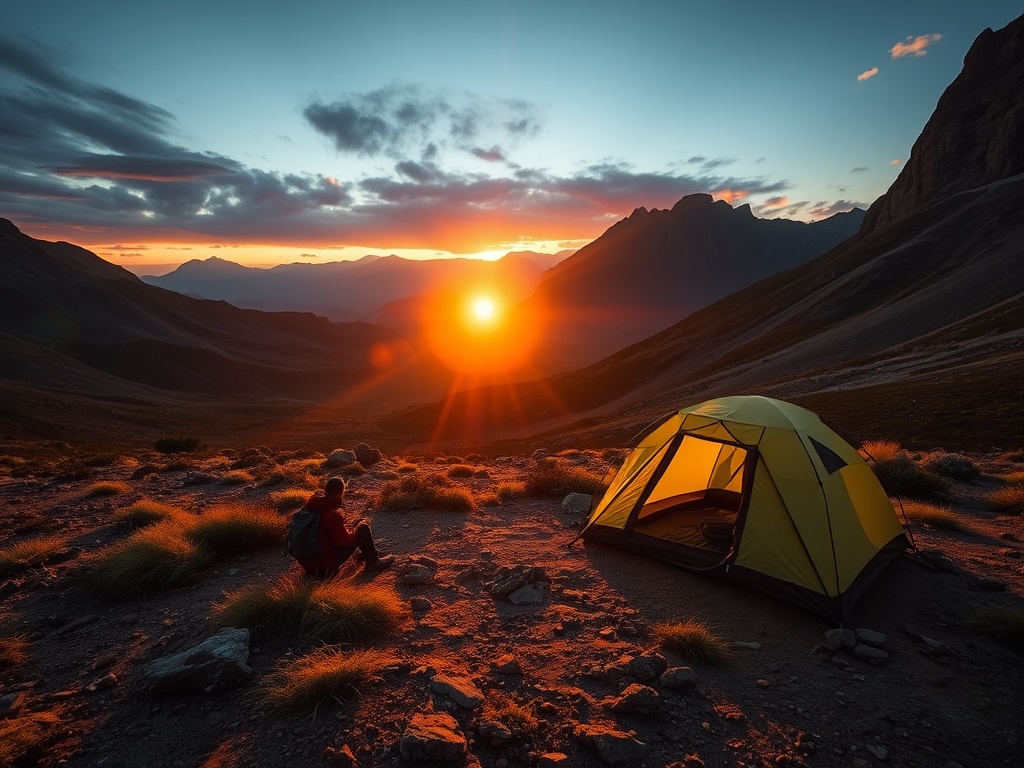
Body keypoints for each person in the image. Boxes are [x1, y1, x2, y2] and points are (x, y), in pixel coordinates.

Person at [297, 476, 394, 578]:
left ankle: (361, 555)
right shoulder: (331, 514)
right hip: (323, 566)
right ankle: (373, 562)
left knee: (354, 526)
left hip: (308, 564)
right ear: (340, 493)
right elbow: (345, 541)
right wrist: (355, 531)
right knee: (363, 528)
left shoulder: (309, 509)